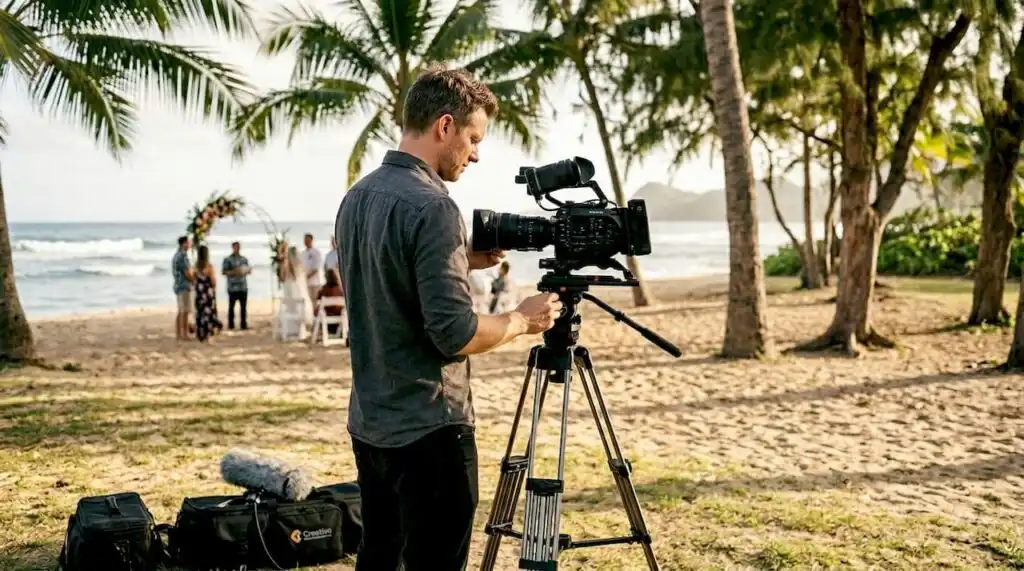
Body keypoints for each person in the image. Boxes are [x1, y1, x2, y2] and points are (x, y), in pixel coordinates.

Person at [335, 63, 563, 571]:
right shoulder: (435, 206)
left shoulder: (358, 196)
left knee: (380, 556)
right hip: (428, 428)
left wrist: (458, 259)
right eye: (474, 138)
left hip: (371, 422)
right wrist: (523, 320)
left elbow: (384, 285)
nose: (476, 153)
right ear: (444, 126)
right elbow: (454, 333)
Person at [275, 244, 315, 339]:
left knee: (290, 307)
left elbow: (281, 278)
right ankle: (300, 330)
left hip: (290, 297)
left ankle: (291, 330)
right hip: (300, 299)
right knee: (298, 307)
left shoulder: (286, 267)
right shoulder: (300, 267)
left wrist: (281, 261)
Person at [193, 245, 223, 342]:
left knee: (200, 313)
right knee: (209, 314)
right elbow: (213, 281)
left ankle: (201, 334)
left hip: (199, 294)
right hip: (208, 294)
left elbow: (194, 281)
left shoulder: (195, 267)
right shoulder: (209, 267)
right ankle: (209, 333)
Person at [221, 241, 251, 330]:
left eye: (238, 247)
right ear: (232, 248)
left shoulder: (244, 259)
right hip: (232, 287)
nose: (237, 249)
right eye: (235, 247)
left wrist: (246, 271)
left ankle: (243, 324)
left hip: (243, 286)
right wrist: (235, 271)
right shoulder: (227, 259)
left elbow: (248, 270)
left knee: (243, 307)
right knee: (231, 307)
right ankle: (231, 325)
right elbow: (224, 272)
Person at [171, 235, 195, 341]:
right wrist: (194, 280)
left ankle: (178, 333)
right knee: (185, 311)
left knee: (181, 310)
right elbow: (187, 273)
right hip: (183, 285)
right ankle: (184, 334)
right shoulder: (182, 256)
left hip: (178, 284)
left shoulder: (177, 255)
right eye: (188, 242)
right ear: (184, 243)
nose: (190, 244)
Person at [316, 268, 345, 336]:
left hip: (326, 318)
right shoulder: (340, 290)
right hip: (339, 318)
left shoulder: (324, 289)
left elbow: (318, 300)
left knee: (319, 311)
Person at [301, 233, 323, 304]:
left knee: (314, 302)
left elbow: (316, 269)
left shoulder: (316, 252)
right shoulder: (302, 253)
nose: (305, 242)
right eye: (304, 240)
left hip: (314, 283)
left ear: (311, 240)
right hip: (305, 284)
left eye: (307, 240)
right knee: (306, 303)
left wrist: (306, 277)